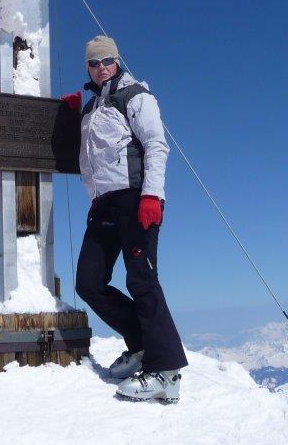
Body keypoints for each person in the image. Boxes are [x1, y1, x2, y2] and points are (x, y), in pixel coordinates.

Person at [72, 35, 188, 402]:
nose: (101, 68)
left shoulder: (135, 96)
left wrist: (152, 195)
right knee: (88, 282)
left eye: (107, 60)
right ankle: (140, 343)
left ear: (117, 61)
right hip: (103, 204)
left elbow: (156, 144)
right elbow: (89, 159)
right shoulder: (91, 109)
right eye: (94, 63)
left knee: (142, 281)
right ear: (88, 67)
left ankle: (166, 371)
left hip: (136, 198)